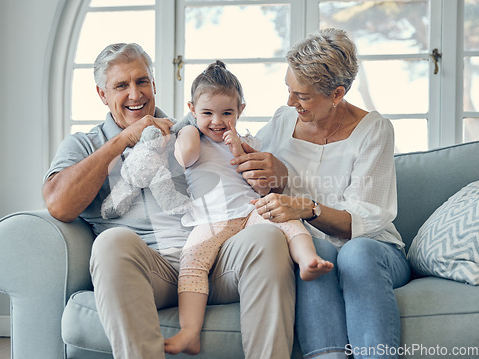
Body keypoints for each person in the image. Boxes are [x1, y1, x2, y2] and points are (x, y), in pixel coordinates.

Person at [42, 43, 296, 359]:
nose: (135, 94)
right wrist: (123, 139)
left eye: (142, 81)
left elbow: (251, 171)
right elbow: (59, 204)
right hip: (150, 269)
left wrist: (278, 173)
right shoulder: (85, 144)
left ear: (154, 84)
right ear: (102, 94)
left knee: (266, 236)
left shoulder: (195, 129)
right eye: (121, 85)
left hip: (212, 258)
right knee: (111, 243)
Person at [232, 28, 411, 359]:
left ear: (337, 94)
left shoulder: (375, 130)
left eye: (302, 95)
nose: (290, 102)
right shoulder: (283, 120)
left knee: (355, 254)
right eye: (289, 90)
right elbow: (250, 177)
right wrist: (268, 171)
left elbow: (363, 221)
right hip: (315, 249)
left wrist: (305, 207)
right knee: (314, 252)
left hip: (376, 251)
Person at [164, 60, 333, 355]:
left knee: (283, 214)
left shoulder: (249, 141)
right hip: (211, 220)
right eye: (207, 113)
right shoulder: (191, 137)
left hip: (249, 210)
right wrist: (190, 129)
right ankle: (190, 332)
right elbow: (185, 157)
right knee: (191, 263)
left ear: (240, 110)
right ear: (191, 109)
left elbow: (263, 187)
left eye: (226, 113)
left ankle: (307, 260)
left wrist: (238, 148)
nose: (216, 121)